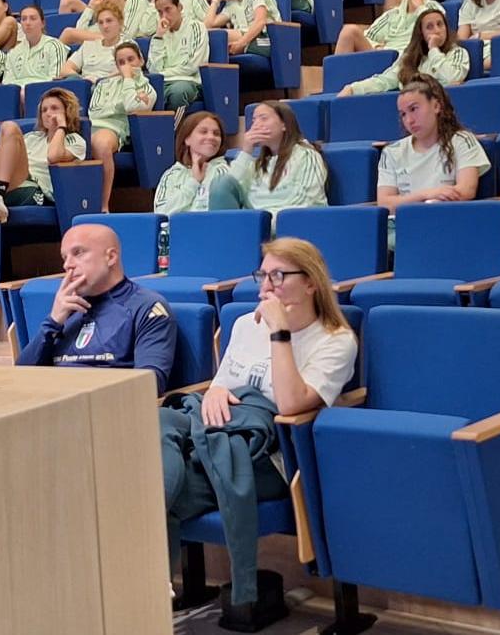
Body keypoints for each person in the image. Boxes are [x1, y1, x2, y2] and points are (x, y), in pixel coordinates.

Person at [162, 237, 357, 620]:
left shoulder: (336, 341)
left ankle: (149, 574)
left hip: (272, 455)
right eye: (262, 275)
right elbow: (221, 384)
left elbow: (290, 404)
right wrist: (216, 391)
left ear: (310, 282)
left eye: (278, 276)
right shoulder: (243, 325)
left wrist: (280, 333)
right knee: (161, 423)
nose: (265, 286)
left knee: (151, 486)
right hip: (216, 436)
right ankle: (153, 576)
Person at [18, 223, 177, 392]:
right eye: (64, 257)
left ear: (111, 257)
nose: (67, 265)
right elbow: (19, 379)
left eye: (78, 253)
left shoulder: (147, 307)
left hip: (106, 405)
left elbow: (149, 385)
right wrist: (52, 322)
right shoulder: (66, 310)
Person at [376, 80, 489, 244]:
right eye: (403, 114)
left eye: (414, 109)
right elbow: (385, 203)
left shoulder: (461, 140)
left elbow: (466, 190)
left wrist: (421, 203)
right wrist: (427, 194)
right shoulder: (392, 152)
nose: (409, 120)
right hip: (402, 227)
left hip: (446, 223)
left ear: (436, 106)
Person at [0, 88, 87, 212]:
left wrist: (61, 127)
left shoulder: (75, 140)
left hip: (33, 190)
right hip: (5, 185)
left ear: (67, 112)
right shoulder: (32, 137)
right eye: (44, 110)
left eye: (54, 108)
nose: (48, 113)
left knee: (10, 127)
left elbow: (53, 156)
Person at [209, 101, 328, 216]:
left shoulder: (306, 155)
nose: (255, 125)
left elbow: (308, 202)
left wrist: (264, 223)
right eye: (254, 120)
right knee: (220, 183)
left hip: (290, 224)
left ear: (284, 124)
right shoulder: (256, 164)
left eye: (263, 118)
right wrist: (246, 152)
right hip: (255, 224)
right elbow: (224, 189)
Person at [88, 41, 158, 209]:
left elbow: (131, 108)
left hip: (114, 128)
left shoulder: (148, 90)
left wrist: (128, 80)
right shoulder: (104, 84)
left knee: (101, 143)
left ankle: (103, 206)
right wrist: (123, 103)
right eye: (121, 62)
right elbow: (94, 110)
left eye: (130, 59)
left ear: (141, 60)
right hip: (92, 125)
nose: (126, 65)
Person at [341, 8, 467, 96]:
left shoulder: (457, 52)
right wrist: (353, 89)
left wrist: (434, 49)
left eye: (440, 24)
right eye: (430, 27)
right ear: (421, 34)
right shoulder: (409, 58)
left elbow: (452, 77)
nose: (437, 30)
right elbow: (384, 81)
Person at [153, 111, 235, 214]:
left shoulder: (225, 172)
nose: (211, 137)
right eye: (203, 132)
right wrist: (194, 182)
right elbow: (161, 213)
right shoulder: (172, 174)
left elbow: (208, 213)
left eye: (216, 134)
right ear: (187, 139)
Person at [148, 0, 208, 111]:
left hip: (189, 82)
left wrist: (162, 74)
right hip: (163, 83)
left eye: (168, 9)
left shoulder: (196, 27)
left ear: (179, 7)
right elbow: (153, 69)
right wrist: (159, 37)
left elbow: (192, 66)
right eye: (160, 12)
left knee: (178, 92)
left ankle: (176, 124)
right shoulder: (159, 34)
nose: (164, 16)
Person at [207, 0, 276, 58]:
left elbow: (260, 21)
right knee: (210, 35)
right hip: (246, 39)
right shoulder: (232, 4)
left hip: (268, 39)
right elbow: (209, 24)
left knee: (218, 36)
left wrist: (241, 43)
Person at [63, 0, 159, 44]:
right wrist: (91, 6)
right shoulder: (106, 17)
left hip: (126, 51)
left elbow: (126, 36)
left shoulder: (134, 0)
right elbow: (79, 34)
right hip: (108, 52)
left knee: (69, 33)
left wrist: (75, 35)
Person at [1, 4, 69, 88]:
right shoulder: (13, 52)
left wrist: (30, 89)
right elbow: (7, 83)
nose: (27, 23)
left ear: (43, 23)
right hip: (19, 94)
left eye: (33, 18)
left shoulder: (54, 46)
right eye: (24, 19)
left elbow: (56, 80)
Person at [63, 0, 130, 81]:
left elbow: (129, 71)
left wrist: (98, 81)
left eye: (109, 21)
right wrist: (83, 80)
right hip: (86, 83)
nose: (105, 26)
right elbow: (65, 69)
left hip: (111, 84)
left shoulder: (128, 45)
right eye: (101, 22)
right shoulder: (88, 45)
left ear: (120, 22)